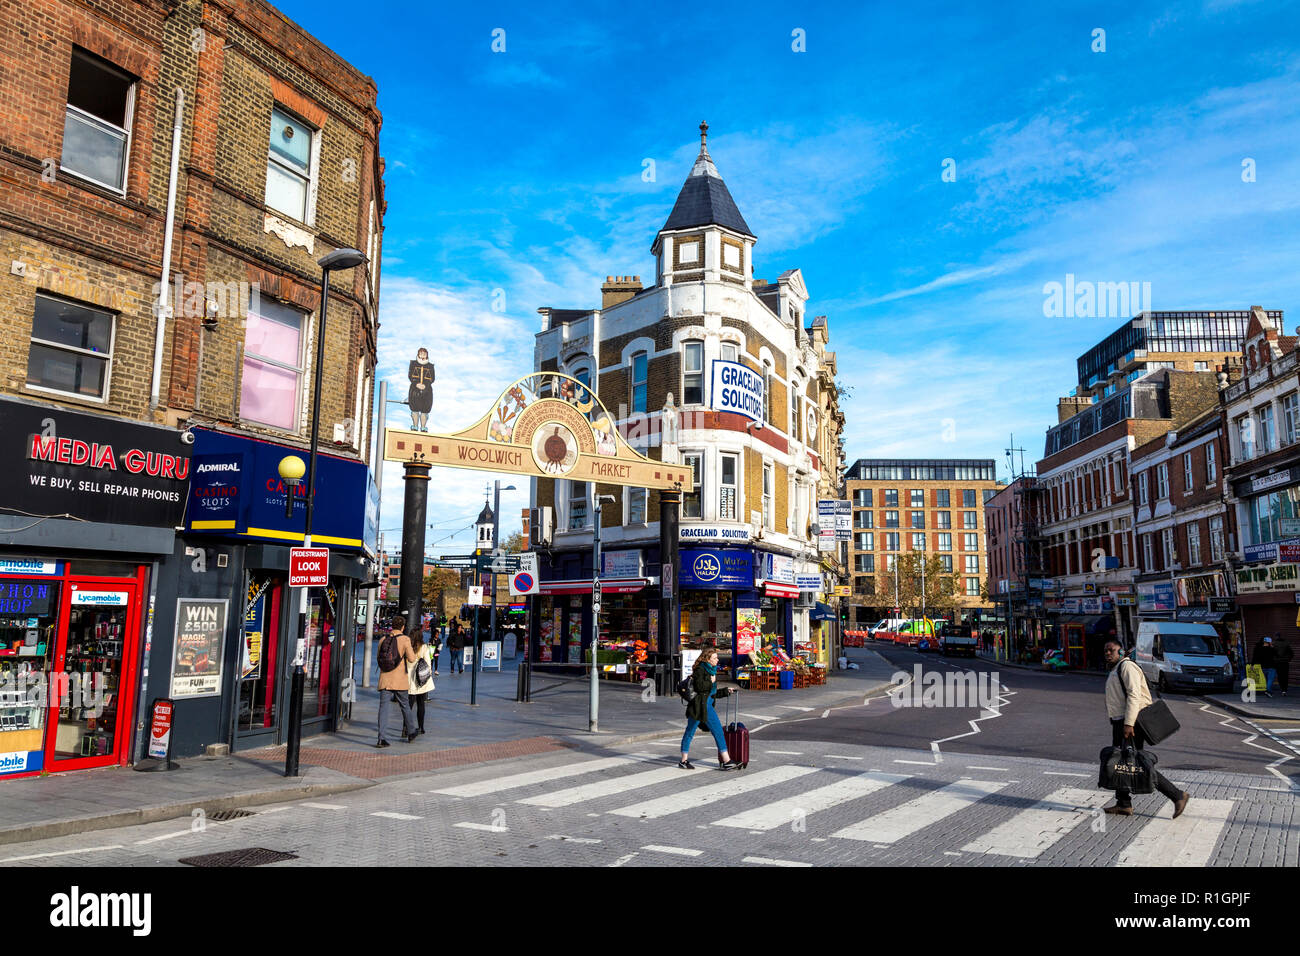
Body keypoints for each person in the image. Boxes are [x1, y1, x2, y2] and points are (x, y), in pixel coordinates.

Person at [1102, 639, 1188, 817]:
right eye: (1106, 651)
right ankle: (1123, 803)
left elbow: (1134, 695)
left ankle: (1177, 795)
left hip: (1130, 724)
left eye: (1111, 650)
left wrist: (1128, 723)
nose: (1108, 653)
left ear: (1122, 651)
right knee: (1121, 762)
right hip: (1121, 722)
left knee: (1137, 763)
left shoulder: (1126, 667)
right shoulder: (1116, 668)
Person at [679, 649, 741, 771]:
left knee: (691, 731)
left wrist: (725, 691)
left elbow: (711, 693)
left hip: (705, 705)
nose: (717, 660)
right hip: (700, 707)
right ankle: (726, 761)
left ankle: (683, 761)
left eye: (717, 658)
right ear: (708, 659)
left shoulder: (711, 670)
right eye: (715, 658)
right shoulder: (700, 670)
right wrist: (711, 681)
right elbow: (700, 687)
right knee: (715, 731)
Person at [377, 614, 418, 748]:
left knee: (383, 708)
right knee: (405, 706)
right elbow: (412, 659)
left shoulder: (383, 638)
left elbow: (379, 658)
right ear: (403, 627)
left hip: (385, 679)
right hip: (399, 679)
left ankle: (381, 738)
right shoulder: (405, 639)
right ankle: (411, 732)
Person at [407, 630, 435, 735]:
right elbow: (428, 663)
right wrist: (429, 675)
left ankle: (405, 727)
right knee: (421, 704)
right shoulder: (424, 647)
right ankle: (421, 727)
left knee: (409, 705)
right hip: (421, 678)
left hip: (410, 679)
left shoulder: (408, 646)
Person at [408, 348, 434, 432]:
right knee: (414, 408)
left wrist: (425, 385)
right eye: (421, 353)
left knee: (425, 409)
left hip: (427, 390)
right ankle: (415, 425)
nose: (422, 355)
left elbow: (432, 378)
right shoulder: (413, 364)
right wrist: (416, 384)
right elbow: (410, 375)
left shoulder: (430, 366)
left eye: (424, 354)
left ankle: (423, 427)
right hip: (415, 389)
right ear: (418, 354)